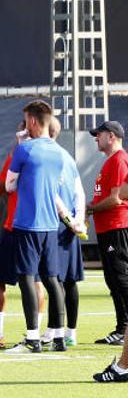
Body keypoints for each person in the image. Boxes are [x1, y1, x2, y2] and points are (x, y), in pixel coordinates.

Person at [4, 101, 69, 354]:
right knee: (52, 279)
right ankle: (59, 336)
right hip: (51, 224)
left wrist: (19, 144)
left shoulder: (24, 149)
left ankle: (32, 338)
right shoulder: (59, 151)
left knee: (27, 278)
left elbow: (9, 185)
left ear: (32, 121)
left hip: (28, 223)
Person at [89, 120, 128, 349]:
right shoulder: (110, 161)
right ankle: (121, 329)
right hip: (108, 228)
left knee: (121, 278)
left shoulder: (119, 160)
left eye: (99, 134)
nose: (96, 138)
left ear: (111, 136)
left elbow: (116, 198)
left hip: (117, 226)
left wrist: (90, 209)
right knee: (113, 280)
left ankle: (125, 329)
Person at [48, 118, 84, 348]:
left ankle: (55, 332)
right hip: (70, 225)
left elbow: (50, 192)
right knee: (69, 280)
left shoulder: (47, 156)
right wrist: (78, 219)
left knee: (55, 279)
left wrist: (70, 221)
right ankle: (70, 332)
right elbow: (79, 191)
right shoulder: (68, 157)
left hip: (56, 224)